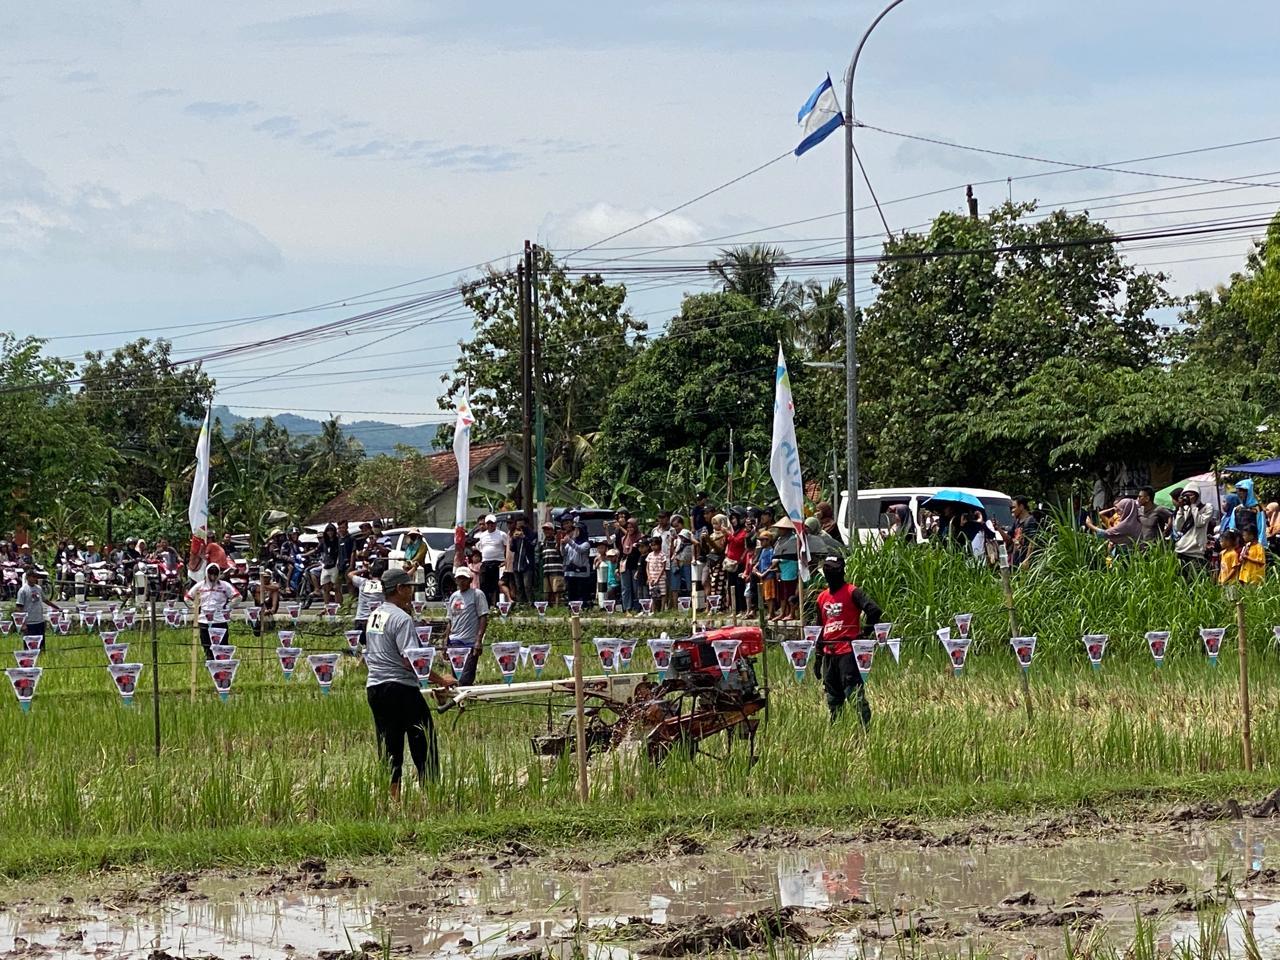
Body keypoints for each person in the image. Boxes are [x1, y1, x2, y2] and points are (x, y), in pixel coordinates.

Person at [365, 568, 455, 797]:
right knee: (423, 740)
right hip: (400, 688)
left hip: (375, 687)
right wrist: (441, 679)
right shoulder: (401, 619)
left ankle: (393, 799)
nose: (411, 593)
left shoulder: (375, 616)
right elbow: (411, 660)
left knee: (389, 745)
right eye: (408, 588)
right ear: (399, 589)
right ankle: (432, 794)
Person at [814, 556, 882, 725]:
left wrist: (864, 633)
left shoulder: (853, 592)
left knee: (854, 693)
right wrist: (817, 657)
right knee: (833, 697)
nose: (832, 574)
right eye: (828, 570)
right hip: (829, 652)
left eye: (835, 570)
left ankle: (865, 729)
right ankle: (837, 729)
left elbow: (874, 610)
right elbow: (818, 630)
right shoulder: (821, 598)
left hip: (848, 652)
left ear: (842, 571)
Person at [185, 563, 240, 659]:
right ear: (207, 573)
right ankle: (210, 662)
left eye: (215, 574)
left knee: (222, 645)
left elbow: (238, 597)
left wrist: (227, 607)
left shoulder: (224, 585)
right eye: (211, 574)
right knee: (206, 644)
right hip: (203, 620)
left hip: (220, 620)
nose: (213, 577)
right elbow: (187, 597)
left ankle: (222, 664)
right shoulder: (200, 586)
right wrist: (195, 607)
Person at [444, 567, 490, 686]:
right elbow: (450, 620)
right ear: (456, 580)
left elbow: (483, 617)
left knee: (466, 677)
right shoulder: (454, 596)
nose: (462, 581)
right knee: (456, 677)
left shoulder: (477, 594)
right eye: (459, 579)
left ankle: (467, 698)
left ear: (470, 580)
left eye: (464, 579)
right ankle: (461, 702)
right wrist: (445, 641)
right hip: (454, 642)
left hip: (469, 642)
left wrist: (478, 640)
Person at [1173, 488, 1213, 577]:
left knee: (1195, 581)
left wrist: (1194, 506)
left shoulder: (1207, 507)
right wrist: (1181, 509)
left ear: (1197, 495)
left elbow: (1199, 523)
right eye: (1185, 496)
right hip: (1182, 550)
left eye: (1190, 495)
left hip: (1196, 551)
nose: (1188, 498)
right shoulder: (1186, 508)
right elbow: (1178, 527)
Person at [16, 568, 58, 650]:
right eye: (33, 577)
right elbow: (19, 608)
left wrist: (57, 608)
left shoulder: (38, 588)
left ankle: (42, 657)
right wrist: (22, 624)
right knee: (29, 644)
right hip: (29, 622)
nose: (35, 579)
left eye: (36, 577)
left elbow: (45, 600)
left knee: (41, 643)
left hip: (39, 621)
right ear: (27, 577)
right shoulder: (23, 591)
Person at [348, 561, 386, 648]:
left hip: (360, 619)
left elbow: (350, 574)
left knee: (364, 647)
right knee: (376, 647)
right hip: (376, 620)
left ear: (370, 574)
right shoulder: (384, 585)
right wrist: (413, 568)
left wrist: (364, 569)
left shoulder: (363, 582)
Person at [474, 514, 509, 606]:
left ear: (495, 524)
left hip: (498, 562)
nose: (490, 525)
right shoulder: (482, 536)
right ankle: (486, 605)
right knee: (484, 584)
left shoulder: (502, 534)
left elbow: (507, 548)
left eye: (492, 523)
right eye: (488, 523)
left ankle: (497, 605)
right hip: (486, 562)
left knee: (496, 585)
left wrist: (505, 561)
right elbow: (481, 548)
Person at [561, 521, 593, 607]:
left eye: (577, 530)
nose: (575, 532)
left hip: (582, 573)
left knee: (582, 593)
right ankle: (572, 609)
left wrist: (570, 541)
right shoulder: (571, 542)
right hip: (571, 572)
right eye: (575, 530)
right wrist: (562, 545)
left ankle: (584, 609)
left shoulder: (586, 543)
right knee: (572, 593)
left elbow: (580, 549)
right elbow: (563, 553)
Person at [723, 513, 749, 613]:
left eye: (734, 518)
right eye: (732, 519)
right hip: (730, 563)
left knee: (739, 587)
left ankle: (742, 608)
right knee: (731, 586)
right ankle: (734, 609)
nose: (733, 521)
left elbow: (738, 542)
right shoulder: (734, 531)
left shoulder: (743, 532)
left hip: (739, 563)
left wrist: (728, 534)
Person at [509, 518, 537, 607]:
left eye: (522, 526)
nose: (520, 528)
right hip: (517, 564)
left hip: (527, 565)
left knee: (527, 586)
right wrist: (513, 539)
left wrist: (524, 537)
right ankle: (521, 604)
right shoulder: (516, 534)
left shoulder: (532, 534)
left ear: (526, 525)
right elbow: (512, 549)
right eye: (518, 526)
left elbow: (532, 546)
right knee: (519, 586)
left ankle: (531, 604)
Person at [1008, 497, 1039, 567]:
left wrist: (1027, 560)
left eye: (1013, 508)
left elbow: (1032, 541)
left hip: (1024, 563)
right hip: (1016, 561)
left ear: (1021, 507)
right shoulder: (1016, 522)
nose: (1012, 511)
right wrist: (998, 528)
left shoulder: (1030, 521)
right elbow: (1009, 538)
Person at [668, 515, 694, 602]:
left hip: (686, 562)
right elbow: (672, 551)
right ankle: (675, 606)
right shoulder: (675, 537)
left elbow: (694, 544)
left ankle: (692, 604)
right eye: (674, 527)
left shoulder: (687, 533)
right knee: (675, 586)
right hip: (676, 562)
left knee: (689, 584)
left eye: (677, 526)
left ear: (682, 524)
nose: (676, 528)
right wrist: (672, 541)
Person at [752, 529, 777, 620]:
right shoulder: (763, 551)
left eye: (763, 540)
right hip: (762, 575)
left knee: (769, 596)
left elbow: (772, 564)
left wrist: (764, 573)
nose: (761, 542)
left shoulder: (771, 550)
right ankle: (771, 612)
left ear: (768, 540)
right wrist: (755, 567)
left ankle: (771, 613)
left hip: (768, 575)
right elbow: (759, 561)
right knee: (765, 596)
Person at [540, 521, 564, 605]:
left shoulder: (556, 540)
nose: (546, 531)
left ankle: (557, 607)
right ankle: (549, 608)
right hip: (547, 570)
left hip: (556, 570)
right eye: (545, 530)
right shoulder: (543, 542)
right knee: (547, 592)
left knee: (557, 590)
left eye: (548, 529)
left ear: (553, 531)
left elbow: (560, 551)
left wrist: (558, 540)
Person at [251, 568, 280, 634]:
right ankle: (265, 610)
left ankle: (272, 609)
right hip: (261, 605)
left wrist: (264, 586)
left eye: (267, 577)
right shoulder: (257, 583)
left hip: (270, 603)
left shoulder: (273, 583)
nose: (265, 579)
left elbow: (277, 587)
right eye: (264, 577)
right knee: (257, 593)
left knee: (275, 592)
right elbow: (256, 589)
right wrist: (264, 587)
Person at [318, 524, 342, 606]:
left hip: (335, 565)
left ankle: (339, 605)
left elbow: (340, 553)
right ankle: (326, 605)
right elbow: (317, 550)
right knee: (325, 587)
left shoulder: (338, 541)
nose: (330, 532)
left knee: (336, 587)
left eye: (331, 530)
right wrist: (304, 554)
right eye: (328, 530)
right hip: (325, 566)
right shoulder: (324, 542)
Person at [645, 536, 668, 610]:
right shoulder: (650, 555)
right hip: (652, 577)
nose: (653, 547)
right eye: (652, 545)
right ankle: (653, 609)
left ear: (659, 545)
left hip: (660, 577)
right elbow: (647, 567)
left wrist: (658, 578)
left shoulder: (662, 555)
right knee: (653, 594)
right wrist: (649, 577)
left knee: (662, 593)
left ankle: (662, 609)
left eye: (655, 545)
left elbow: (663, 567)